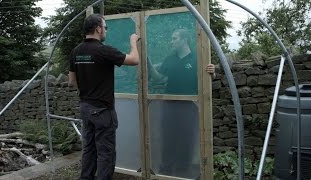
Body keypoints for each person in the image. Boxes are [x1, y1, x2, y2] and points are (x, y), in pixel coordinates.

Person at [68, 14, 140, 180]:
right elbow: (134, 60)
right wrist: (133, 42)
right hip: (102, 111)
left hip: (85, 107)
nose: (106, 30)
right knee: (106, 152)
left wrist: (87, 90)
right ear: (98, 29)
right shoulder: (103, 50)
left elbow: (71, 81)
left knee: (89, 149)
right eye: (105, 27)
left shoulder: (76, 51)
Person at [148, 29, 215, 178]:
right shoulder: (170, 59)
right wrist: (148, 63)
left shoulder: (197, 59)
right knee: (168, 137)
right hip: (169, 104)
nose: (171, 41)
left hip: (189, 105)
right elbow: (159, 78)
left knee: (186, 138)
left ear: (184, 40)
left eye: (174, 38)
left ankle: (183, 171)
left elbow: (207, 78)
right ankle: (166, 170)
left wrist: (212, 72)